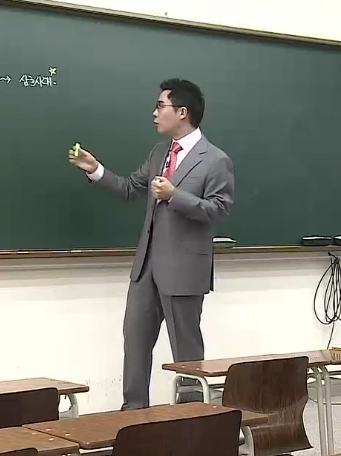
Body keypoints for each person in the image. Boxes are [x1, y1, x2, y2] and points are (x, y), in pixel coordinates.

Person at [68, 78, 235, 410]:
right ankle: (133, 412)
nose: (155, 113)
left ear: (182, 112)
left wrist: (175, 196)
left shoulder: (215, 159)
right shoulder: (160, 152)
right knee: (135, 341)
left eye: (161, 106)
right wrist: (95, 169)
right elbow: (130, 188)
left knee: (186, 350)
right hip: (146, 268)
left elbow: (219, 209)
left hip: (185, 269)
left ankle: (192, 414)